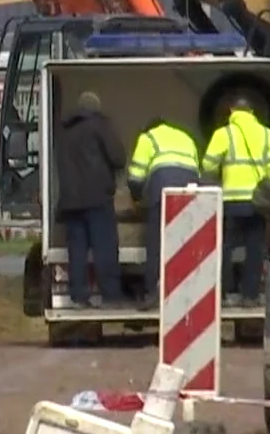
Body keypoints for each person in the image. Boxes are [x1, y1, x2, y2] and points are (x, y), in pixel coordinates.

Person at [200, 95, 270, 306]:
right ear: (252, 113)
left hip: (231, 201)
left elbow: (208, 164)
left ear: (231, 112)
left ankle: (224, 293)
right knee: (255, 248)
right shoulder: (268, 135)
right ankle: (250, 295)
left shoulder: (223, 134)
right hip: (258, 202)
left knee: (225, 247)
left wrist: (220, 174)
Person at [52, 90, 126, 307]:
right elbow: (118, 157)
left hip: (70, 202)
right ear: (96, 108)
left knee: (77, 251)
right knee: (105, 248)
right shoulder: (99, 125)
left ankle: (79, 296)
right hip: (97, 199)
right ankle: (111, 296)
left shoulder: (64, 131)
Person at [126, 115, 201, 308]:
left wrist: (136, 198)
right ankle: (188, 292)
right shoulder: (185, 137)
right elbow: (197, 171)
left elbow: (135, 177)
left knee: (156, 244)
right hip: (189, 193)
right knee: (185, 243)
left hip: (162, 191)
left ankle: (152, 292)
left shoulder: (148, 138)